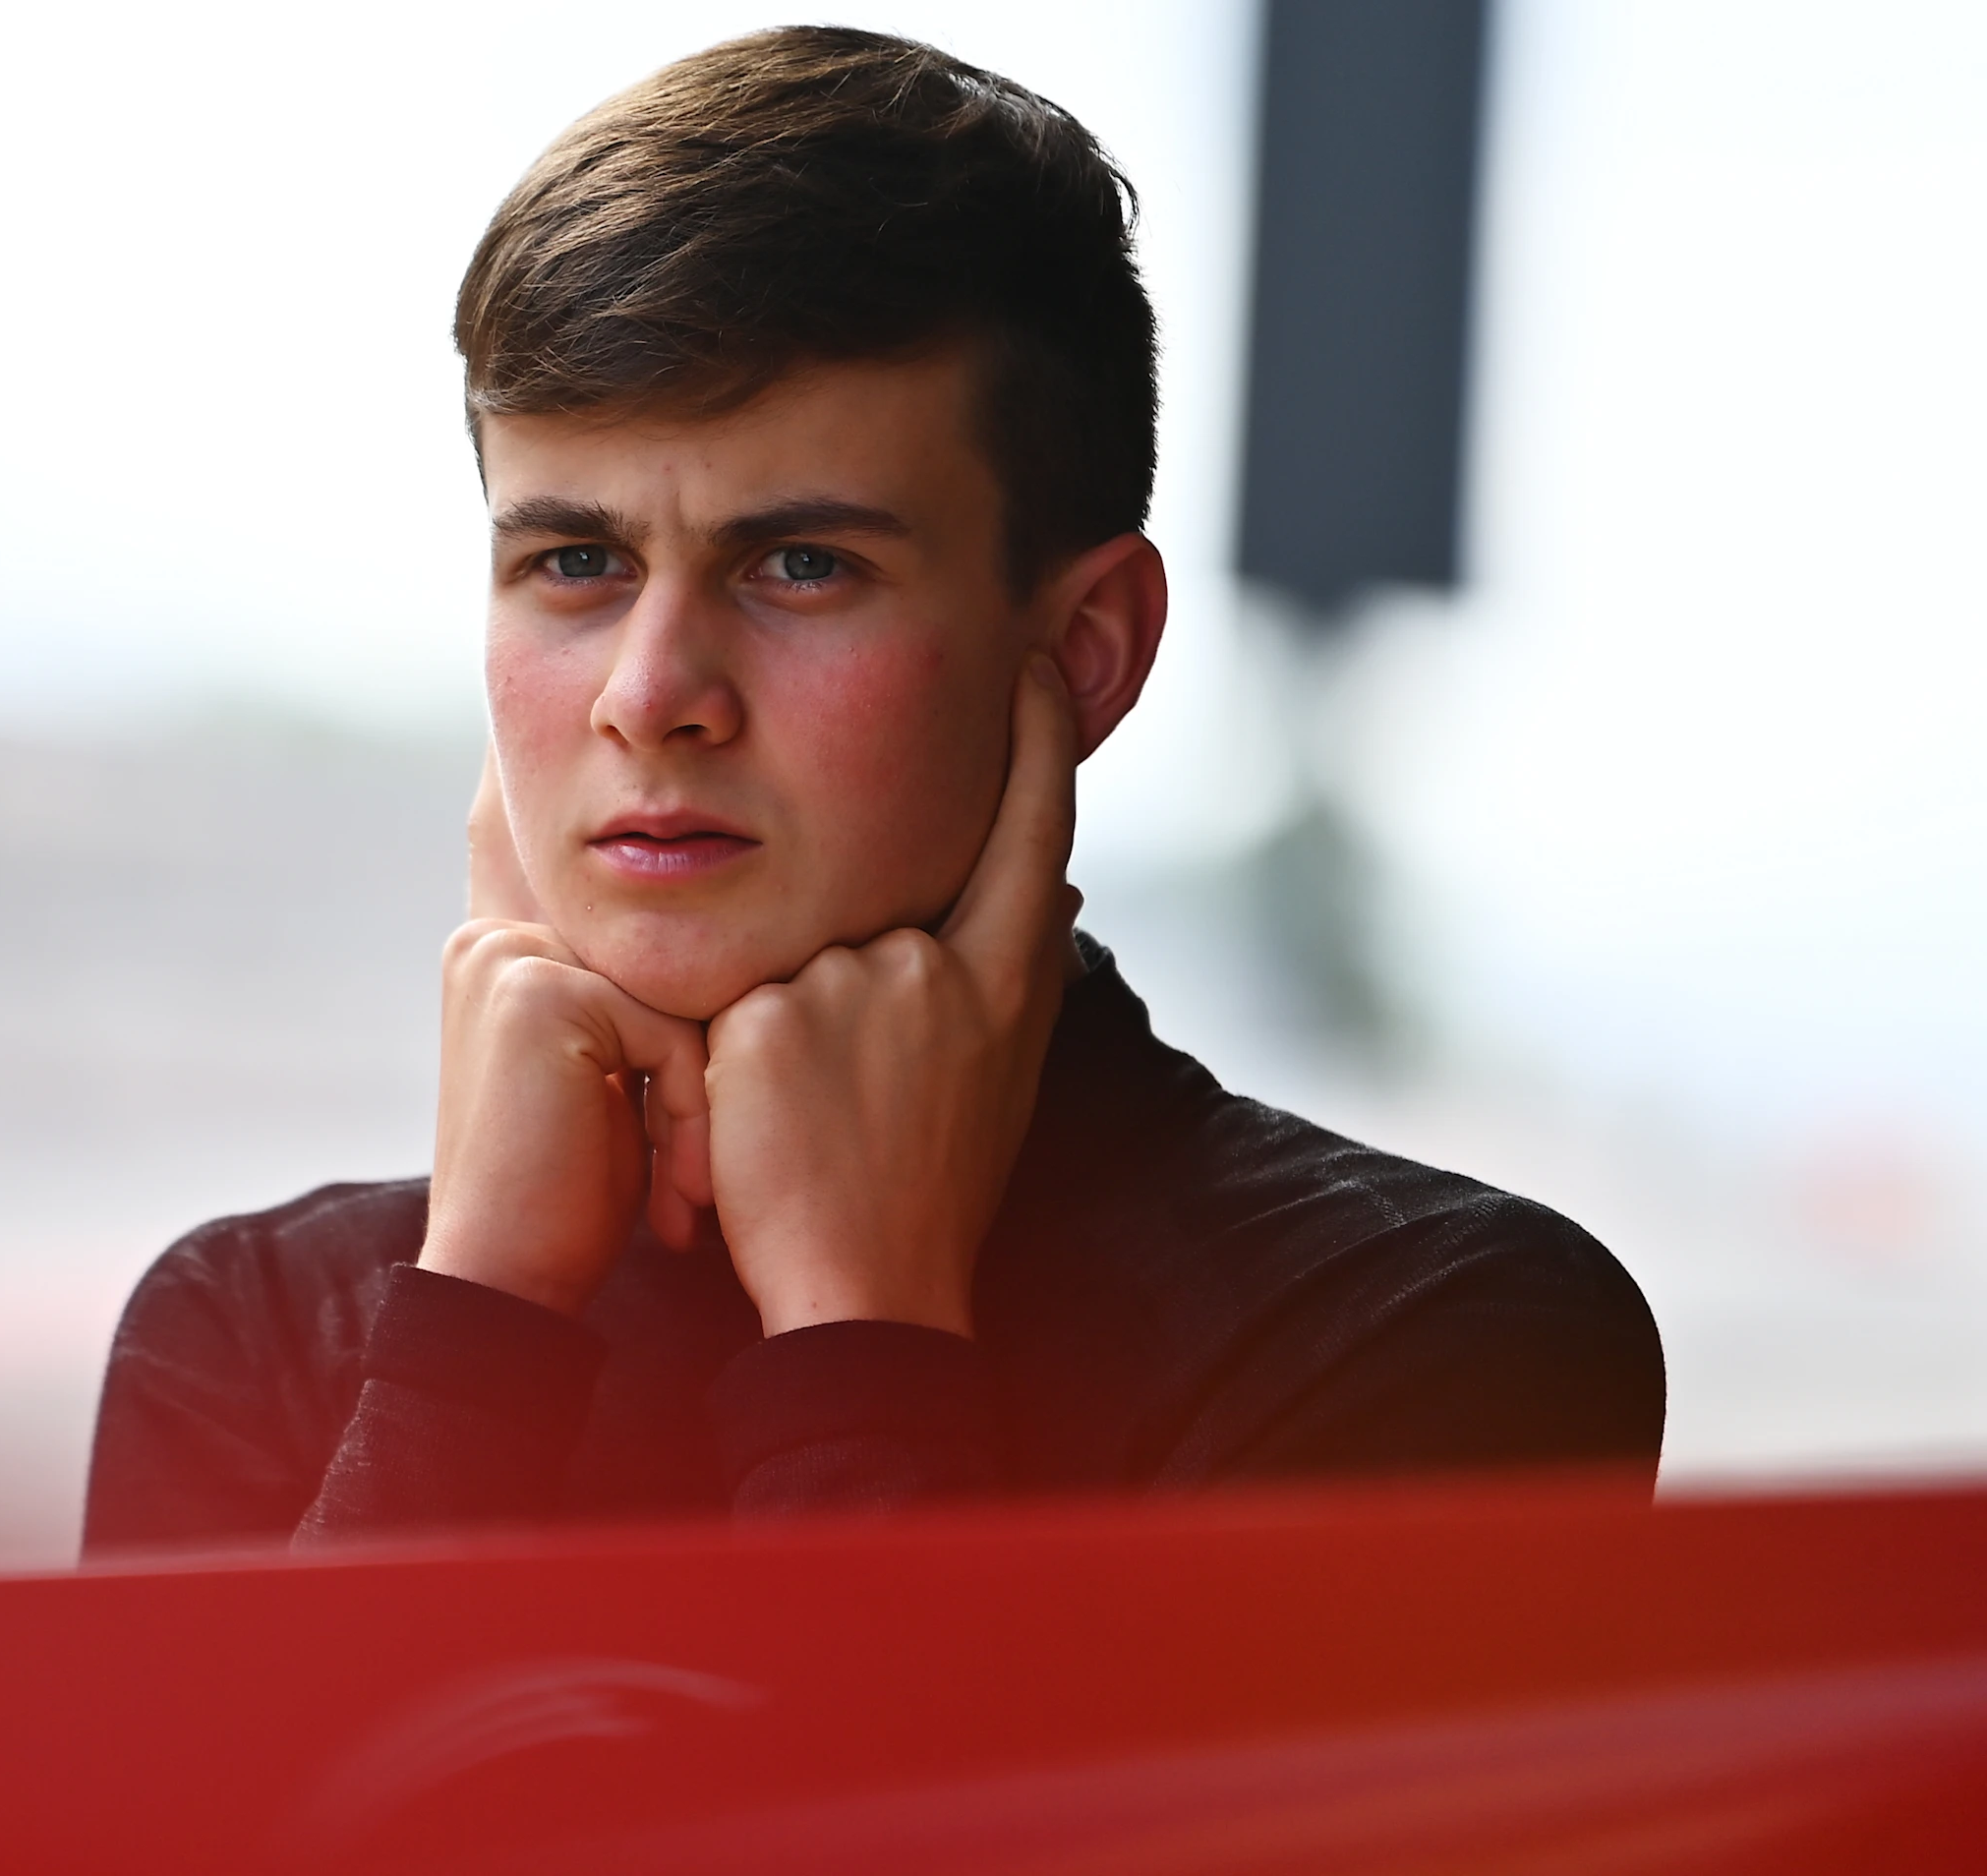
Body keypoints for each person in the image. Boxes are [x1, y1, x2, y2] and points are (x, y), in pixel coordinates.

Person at [83, 26, 1663, 1554]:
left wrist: (865, 1338)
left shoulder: (1441, 1331)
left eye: (800, 565)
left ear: (1087, 652)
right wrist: (472, 1333)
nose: (650, 696)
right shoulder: (253, 1330)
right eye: (574, 562)